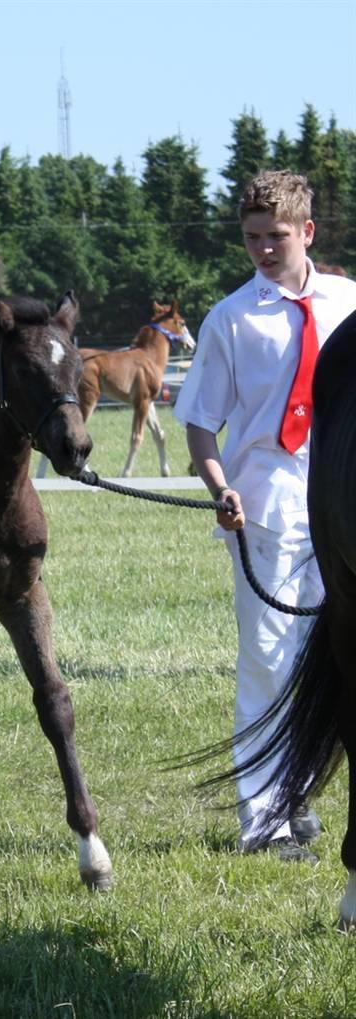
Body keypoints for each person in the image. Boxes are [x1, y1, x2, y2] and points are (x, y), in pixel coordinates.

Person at [174, 170, 356, 862]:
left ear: (306, 231)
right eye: (251, 238)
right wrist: (219, 485)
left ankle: (301, 789)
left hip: (340, 501)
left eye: (275, 236)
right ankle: (265, 822)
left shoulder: (348, 303)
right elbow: (198, 423)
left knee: (336, 657)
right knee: (268, 661)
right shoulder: (230, 319)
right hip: (267, 508)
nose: (262, 249)